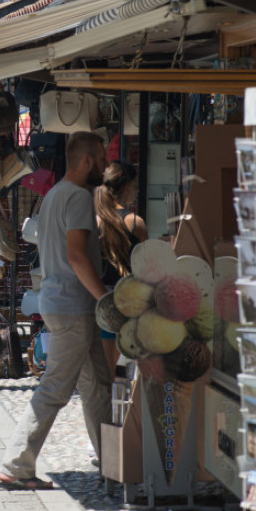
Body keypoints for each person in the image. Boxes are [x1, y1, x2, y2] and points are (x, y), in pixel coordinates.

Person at [0, 131, 109, 491]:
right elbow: (76, 254)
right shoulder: (77, 197)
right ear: (87, 161)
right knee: (56, 388)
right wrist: (104, 298)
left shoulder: (54, 195)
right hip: (73, 306)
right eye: (102, 159)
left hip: (63, 303)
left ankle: (113, 462)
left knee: (98, 387)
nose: (106, 165)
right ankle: (16, 465)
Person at [95, 161, 148, 378]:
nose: (137, 191)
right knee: (119, 371)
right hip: (126, 302)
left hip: (96, 300)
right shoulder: (135, 223)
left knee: (102, 370)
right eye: (135, 185)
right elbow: (145, 267)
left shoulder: (93, 221)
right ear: (125, 186)